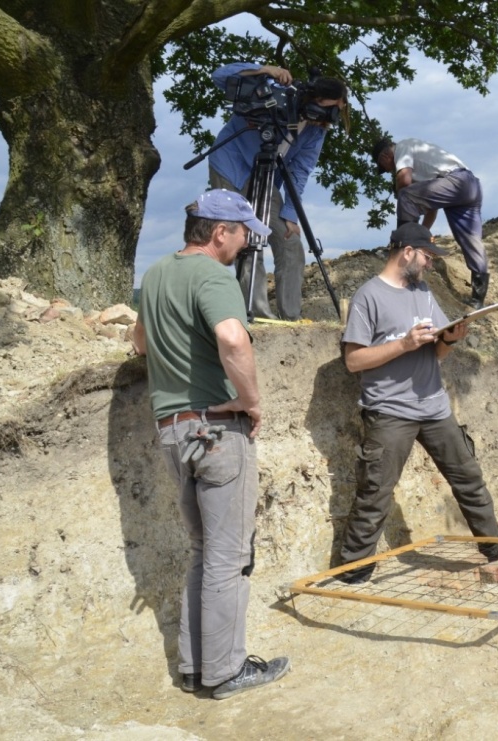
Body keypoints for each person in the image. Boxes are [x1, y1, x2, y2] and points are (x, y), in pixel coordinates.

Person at [130, 190, 289, 699]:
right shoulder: (213, 276)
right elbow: (233, 338)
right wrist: (251, 400)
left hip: (173, 430)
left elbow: (139, 342)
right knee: (228, 556)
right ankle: (225, 672)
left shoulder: (155, 276)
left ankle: (196, 668)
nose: (245, 245)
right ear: (220, 232)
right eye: (243, 235)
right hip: (217, 431)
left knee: (203, 551)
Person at [336, 222, 498, 583]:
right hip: (390, 411)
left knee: (468, 476)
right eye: (426, 256)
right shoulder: (368, 296)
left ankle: (494, 545)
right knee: (376, 491)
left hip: (435, 407)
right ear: (407, 251)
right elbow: (353, 361)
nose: (429, 264)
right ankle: (354, 568)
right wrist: (403, 344)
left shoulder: (423, 293)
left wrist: (451, 339)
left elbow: (436, 354)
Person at [209, 61, 348, 321]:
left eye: (337, 112)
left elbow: (301, 170)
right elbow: (219, 76)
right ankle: (259, 316)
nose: (332, 118)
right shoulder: (272, 90)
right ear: (316, 99)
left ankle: (292, 318)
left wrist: (289, 214)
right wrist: (264, 69)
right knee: (245, 239)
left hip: (265, 176)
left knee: (290, 241)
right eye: (331, 109)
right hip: (230, 166)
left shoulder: (316, 132)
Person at [371, 137, 489, 308]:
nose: (391, 172)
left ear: (384, 158)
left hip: (455, 181)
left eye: (387, 169)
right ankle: (478, 299)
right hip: (470, 186)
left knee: (405, 195)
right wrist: (419, 238)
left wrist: (399, 191)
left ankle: (399, 249)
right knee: (471, 240)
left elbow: (404, 180)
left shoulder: (402, 147)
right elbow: (431, 211)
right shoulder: (425, 172)